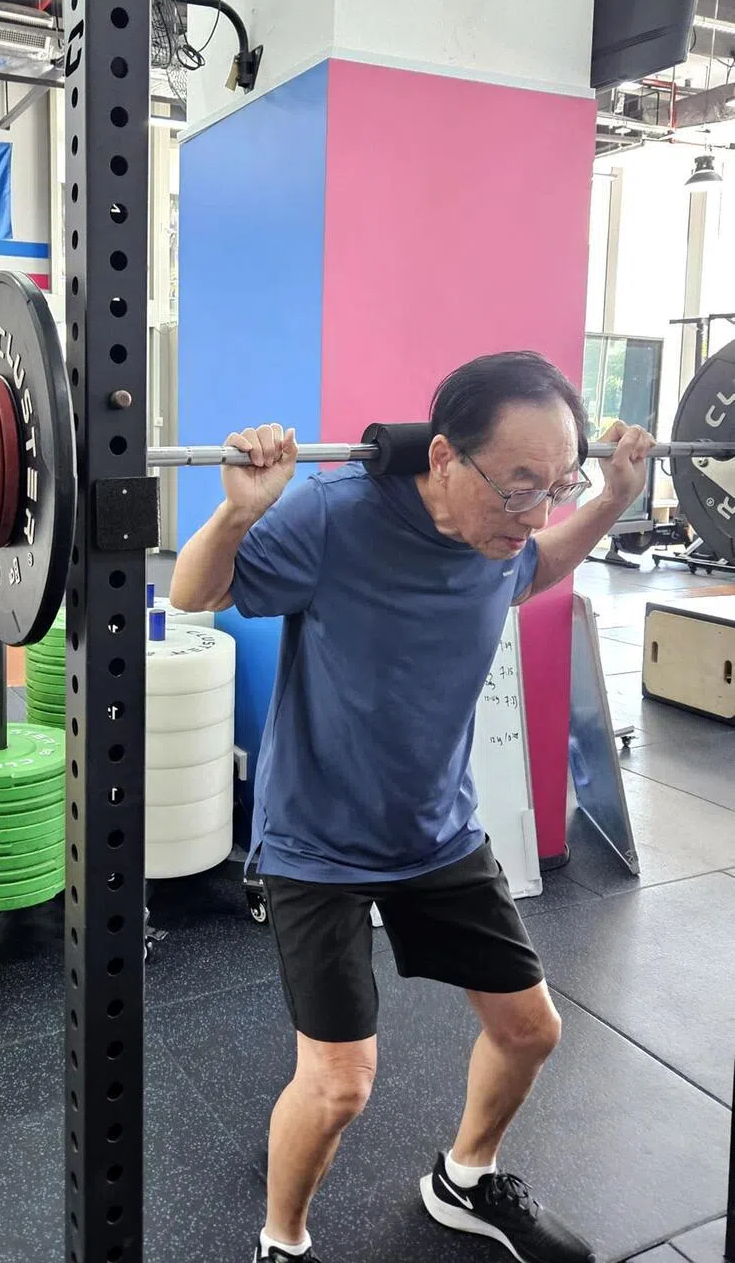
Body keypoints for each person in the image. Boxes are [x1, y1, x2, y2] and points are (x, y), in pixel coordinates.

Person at [169, 351, 655, 1263]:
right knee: (342, 1084)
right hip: (317, 839)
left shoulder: (499, 539)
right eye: (518, 486)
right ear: (441, 457)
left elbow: (536, 563)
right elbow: (194, 595)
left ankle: (464, 1181)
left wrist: (609, 502)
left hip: (438, 830)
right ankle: (282, 1241)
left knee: (529, 1030)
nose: (535, 512)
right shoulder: (336, 514)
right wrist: (240, 509)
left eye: (556, 484)